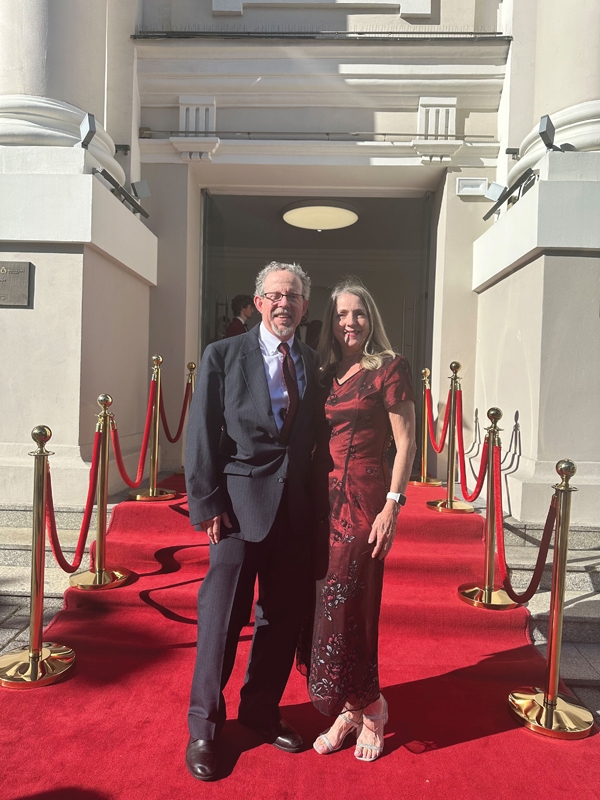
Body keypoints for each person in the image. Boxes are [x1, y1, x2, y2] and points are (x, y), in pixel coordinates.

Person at [184, 262, 331, 781]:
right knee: (221, 620)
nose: (283, 303)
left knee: (280, 620)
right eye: (274, 295)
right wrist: (206, 503)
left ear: (305, 305)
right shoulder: (223, 355)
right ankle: (204, 725)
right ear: (259, 300)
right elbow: (201, 433)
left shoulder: (313, 361)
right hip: (236, 511)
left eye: (293, 296)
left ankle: (261, 711)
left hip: (292, 512)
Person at [304, 277, 416, 762]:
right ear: (332, 322)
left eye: (359, 313)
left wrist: (394, 504)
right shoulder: (328, 372)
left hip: (367, 500)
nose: (350, 322)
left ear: (371, 319)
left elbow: (406, 441)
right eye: (342, 315)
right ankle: (351, 706)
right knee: (325, 605)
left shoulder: (389, 368)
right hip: (323, 502)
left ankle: (371, 707)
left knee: (352, 606)